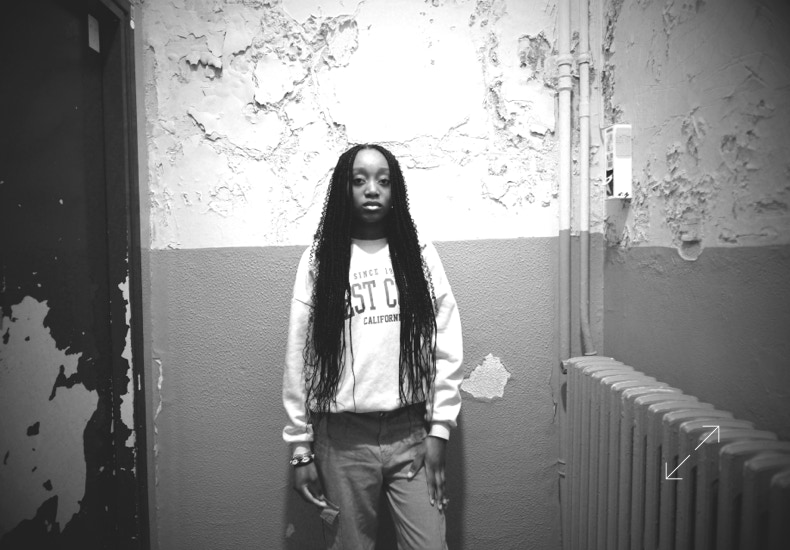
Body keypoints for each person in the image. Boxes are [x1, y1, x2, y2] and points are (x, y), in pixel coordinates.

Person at [282, 143, 464, 549]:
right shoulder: (320, 259)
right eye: (359, 180)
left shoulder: (418, 255)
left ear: (395, 190)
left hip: (410, 432)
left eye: (383, 181)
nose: (371, 189)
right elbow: (299, 355)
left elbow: (446, 341)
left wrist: (439, 430)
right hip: (342, 439)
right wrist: (300, 446)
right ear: (343, 189)